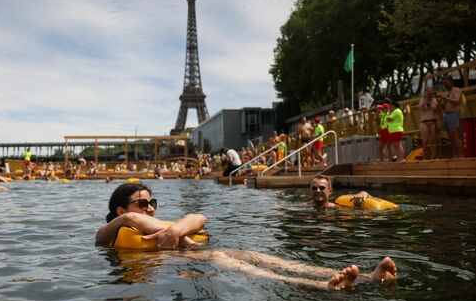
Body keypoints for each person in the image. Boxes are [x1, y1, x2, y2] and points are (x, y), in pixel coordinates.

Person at [97, 183, 397, 290]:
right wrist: (127, 218)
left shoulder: (163, 224)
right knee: (223, 257)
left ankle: (367, 278)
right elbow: (127, 220)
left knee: (254, 255)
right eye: (142, 203)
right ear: (121, 208)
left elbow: (199, 217)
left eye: (152, 202)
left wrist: (175, 230)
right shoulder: (111, 231)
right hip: (177, 267)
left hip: (187, 259)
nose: (150, 208)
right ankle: (319, 284)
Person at [308, 175, 373, 209]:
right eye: (314, 188)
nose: (317, 190)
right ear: (310, 191)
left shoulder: (338, 207)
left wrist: (364, 193)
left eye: (322, 188)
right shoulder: (303, 207)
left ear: (330, 191)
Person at [440, 75, 464, 158]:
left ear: (451, 82)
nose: (445, 85)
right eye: (444, 83)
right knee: (451, 138)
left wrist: (445, 98)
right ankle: (455, 155)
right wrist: (441, 103)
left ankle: (461, 155)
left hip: (454, 114)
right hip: (446, 115)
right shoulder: (446, 93)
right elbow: (443, 107)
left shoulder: (456, 90)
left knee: (455, 136)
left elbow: (457, 101)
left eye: (446, 83)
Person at [418, 87, 442, 160]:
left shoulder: (434, 100)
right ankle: (425, 157)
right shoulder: (423, 99)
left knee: (433, 140)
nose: (429, 93)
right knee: (425, 141)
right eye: (428, 92)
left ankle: (433, 156)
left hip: (433, 120)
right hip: (424, 121)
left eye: (430, 92)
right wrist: (425, 99)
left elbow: (437, 110)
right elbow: (420, 107)